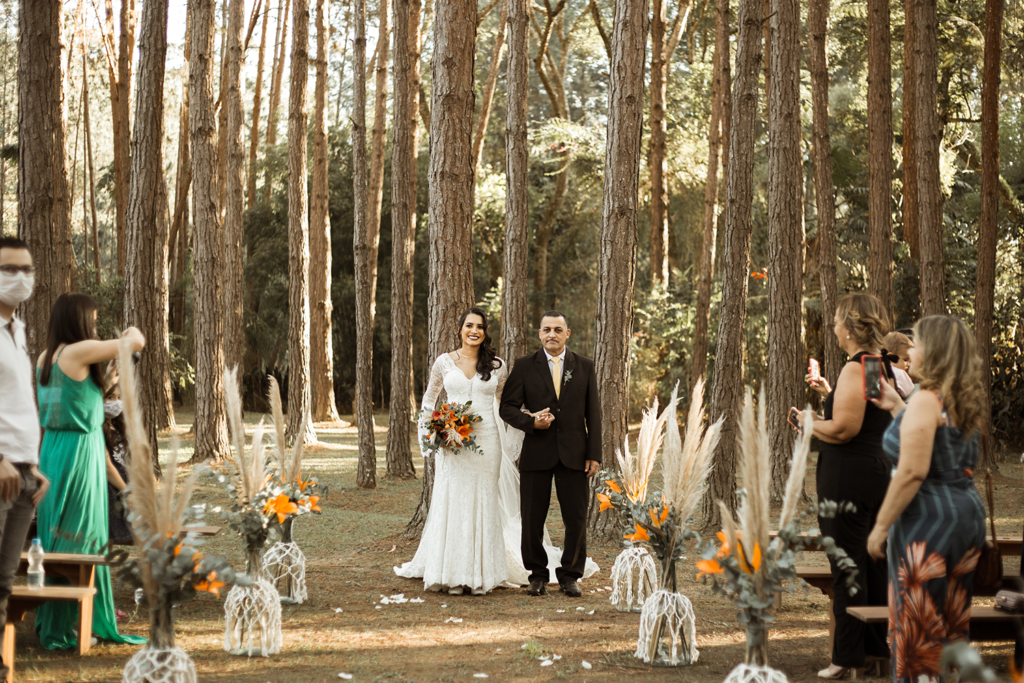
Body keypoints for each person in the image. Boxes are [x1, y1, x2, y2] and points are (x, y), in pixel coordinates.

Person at [867, 316, 987, 683]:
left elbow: (912, 471)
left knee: (919, 634)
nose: (910, 350)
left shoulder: (926, 399)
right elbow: (938, 448)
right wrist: (894, 405)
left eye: (915, 343)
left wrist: (880, 527)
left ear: (932, 351)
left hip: (929, 522)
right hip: (964, 518)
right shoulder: (957, 400)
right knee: (950, 628)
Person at [34, 293, 146, 649]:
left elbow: (92, 439)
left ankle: (76, 622)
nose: (95, 329)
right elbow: (134, 341)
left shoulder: (45, 358)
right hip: (77, 463)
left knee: (65, 540)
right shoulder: (77, 352)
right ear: (79, 322)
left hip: (56, 453)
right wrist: (130, 329)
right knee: (81, 542)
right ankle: (71, 629)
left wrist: (121, 487)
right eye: (93, 322)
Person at [805, 293, 893, 678]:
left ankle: (845, 657)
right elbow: (868, 412)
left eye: (839, 321)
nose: (835, 328)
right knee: (872, 563)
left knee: (846, 564)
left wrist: (805, 422)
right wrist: (829, 396)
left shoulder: (853, 368)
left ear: (852, 328)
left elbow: (844, 428)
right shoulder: (874, 364)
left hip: (848, 477)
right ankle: (875, 648)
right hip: (875, 472)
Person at [499, 311, 602, 598]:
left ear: (567, 333)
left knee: (576, 517)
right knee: (532, 517)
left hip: (575, 455)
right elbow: (506, 408)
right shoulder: (523, 366)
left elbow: (593, 414)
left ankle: (570, 575)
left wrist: (594, 454)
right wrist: (531, 422)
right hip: (537, 452)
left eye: (558, 329)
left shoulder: (584, 366)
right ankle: (537, 575)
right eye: (547, 329)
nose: (552, 334)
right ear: (540, 333)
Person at [0, 237, 50, 681]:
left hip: (22, 473)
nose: (19, 277)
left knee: (3, 582)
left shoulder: (18, 329)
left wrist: (32, 465)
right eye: (9, 268)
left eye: (26, 269)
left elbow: (17, 402)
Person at [101, 369, 131, 546]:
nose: (116, 403)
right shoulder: (98, 427)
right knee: (107, 538)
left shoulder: (118, 427)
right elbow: (106, 465)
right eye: (110, 398)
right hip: (109, 491)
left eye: (119, 398)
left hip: (123, 486)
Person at [881, 331, 915, 398]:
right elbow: (908, 391)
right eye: (905, 359)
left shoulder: (880, 369)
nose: (908, 363)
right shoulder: (900, 373)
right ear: (890, 357)